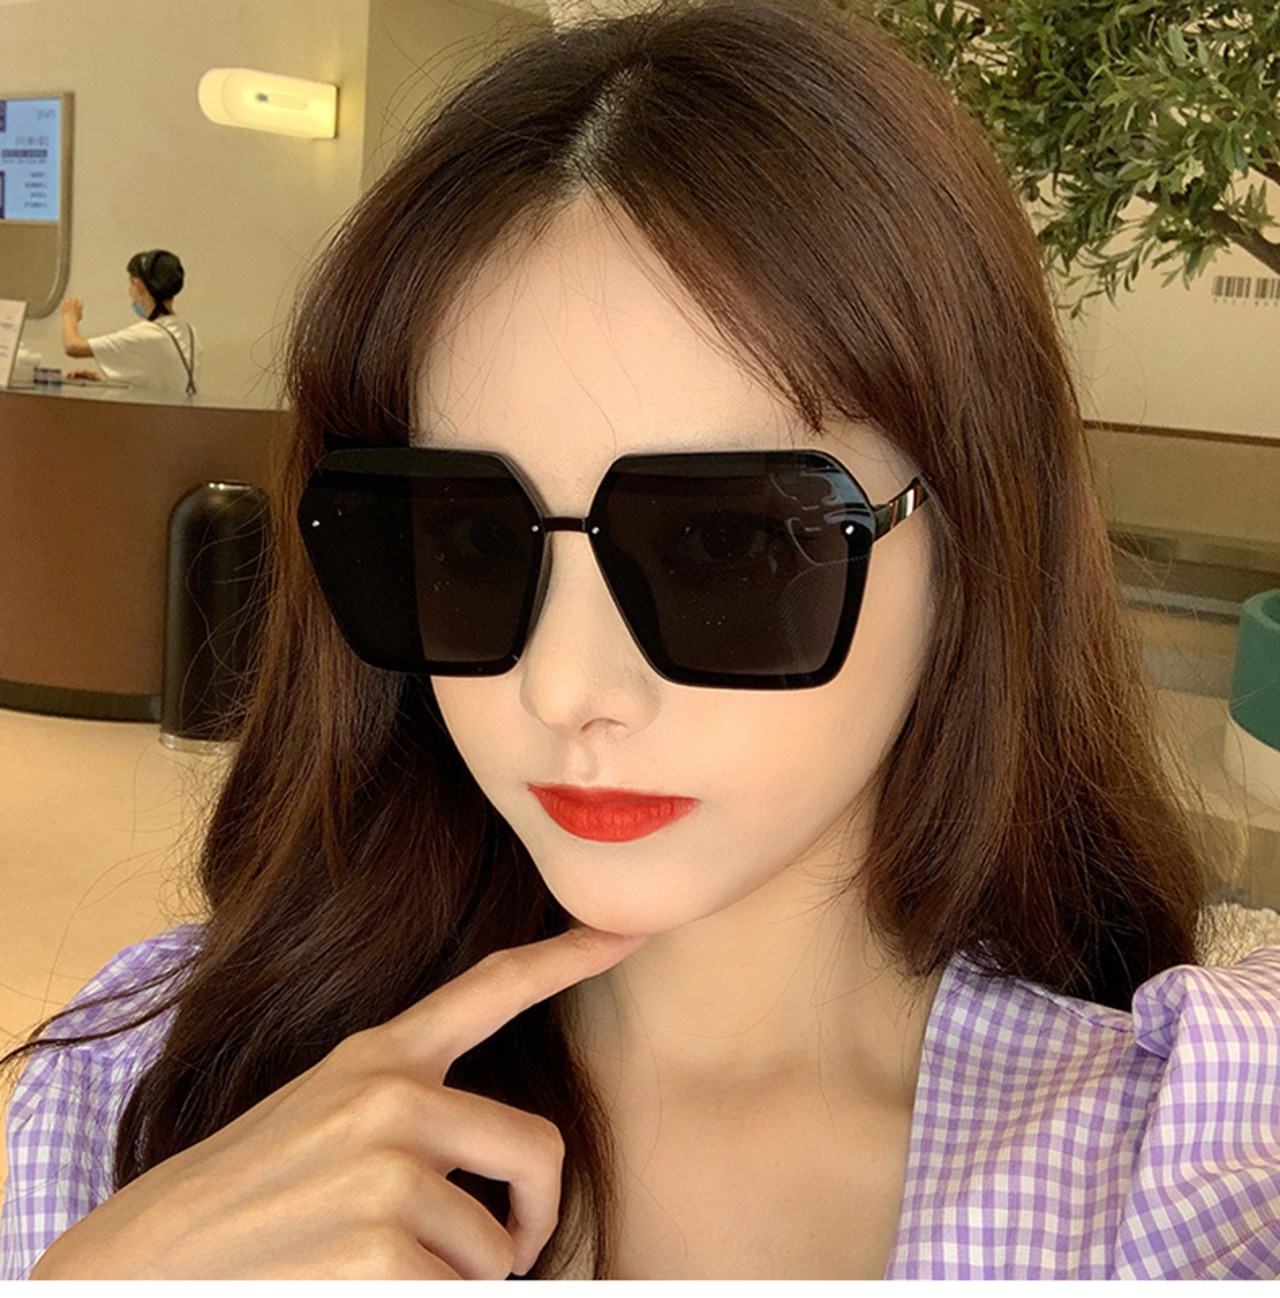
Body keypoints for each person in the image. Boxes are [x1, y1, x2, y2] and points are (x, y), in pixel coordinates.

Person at [3, 0, 1278, 1279]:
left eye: (723, 543)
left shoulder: (1188, 1164)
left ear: (971, 531)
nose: (562, 685)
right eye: (467, 537)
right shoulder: (143, 1097)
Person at [59, 249, 200, 395]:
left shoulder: (148, 335)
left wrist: (69, 317)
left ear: (138, 285)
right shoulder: (189, 332)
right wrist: (103, 382)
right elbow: (159, 381)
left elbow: (72, 346)